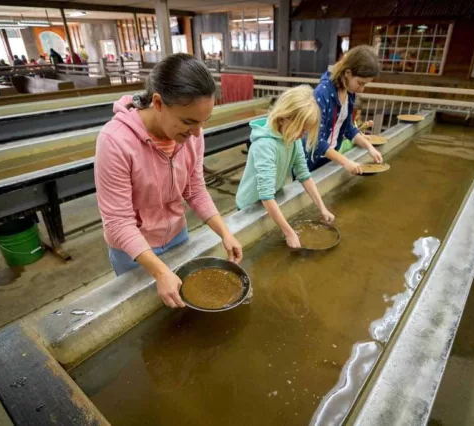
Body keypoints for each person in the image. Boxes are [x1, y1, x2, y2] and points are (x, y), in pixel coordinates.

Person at [95, 53, 243, 309]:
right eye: (188, 121)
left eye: (203, 122)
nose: (197, 132)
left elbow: (195, 189)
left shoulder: (193, 135)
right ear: (158, 102)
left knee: (181, 306)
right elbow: (118, 221)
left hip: (177, 235)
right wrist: (159, 271)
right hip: (134, 251)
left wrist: (224, 232)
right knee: (147, 312)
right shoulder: (115, 141)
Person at [235, 85, 335, 248]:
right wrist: (289, 232)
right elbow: (265, 195)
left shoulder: (293, 139)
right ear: (284, 118)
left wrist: (322, 208)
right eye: (301, 129)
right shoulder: (265, 145)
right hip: (250, 205)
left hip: (270, 199)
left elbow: (304, 174)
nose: (303, 135)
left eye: (305, 131)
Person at [304, 45, 383, 174]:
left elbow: (348, 128)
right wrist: (345, 161)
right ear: (347, 73)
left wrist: (369, 147)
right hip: (310, 159)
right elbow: (315, 140)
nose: (361, 89)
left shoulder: (349, 92)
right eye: (360, 83)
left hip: (331, 155)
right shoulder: (322, 93)